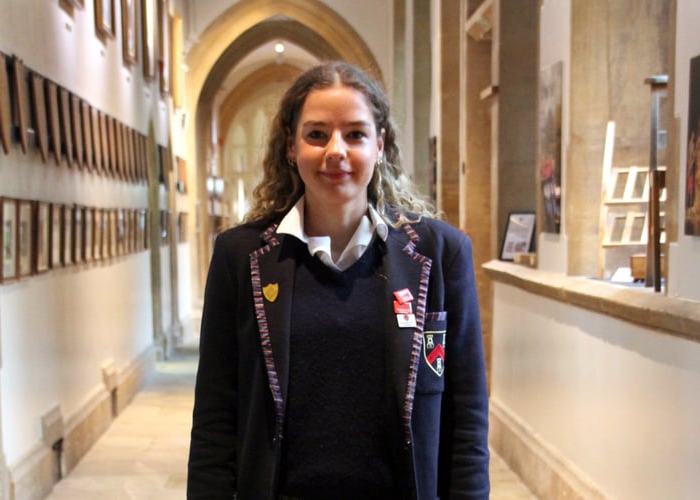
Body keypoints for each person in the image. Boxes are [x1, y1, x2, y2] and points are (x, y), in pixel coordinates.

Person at [187, 61, 490, 499]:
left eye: (354, 134)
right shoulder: (240, 257)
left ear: (379, 144)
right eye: (316, 134)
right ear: (290, 146)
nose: (336, 150)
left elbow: (468, 420)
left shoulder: (440, 254)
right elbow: (215, 418)